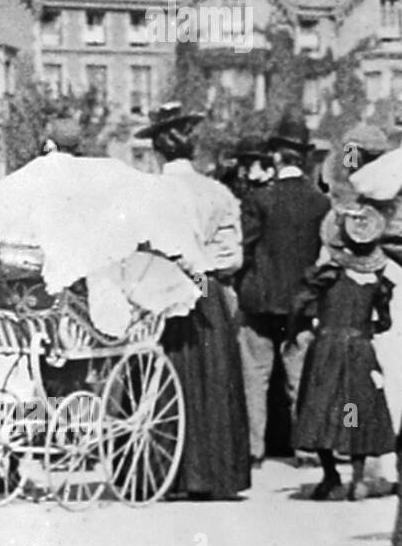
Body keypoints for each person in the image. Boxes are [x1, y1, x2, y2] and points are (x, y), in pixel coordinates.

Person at [142, 103, 250, 499]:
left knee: (162, 369)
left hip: (156, 288)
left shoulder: (146, 191)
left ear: (157, 149)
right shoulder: (217, 192)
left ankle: (164, 470)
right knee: (212, 369)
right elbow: (231, 256)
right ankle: (212, 471)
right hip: (206, 286)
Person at [237, 114, 331, 467]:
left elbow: (243, 248)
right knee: (300, 377)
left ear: (275, 155)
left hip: (259, 302)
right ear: (305, 157)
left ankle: (253, 450)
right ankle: (306, 450)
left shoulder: (260, 199)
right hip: (301, 305)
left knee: (254, 379)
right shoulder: (320, 202)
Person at [292, 204, 396, 500]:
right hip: (360, 350)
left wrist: (304, 325)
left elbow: (301, 304)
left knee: (322, 408)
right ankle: (358, 478)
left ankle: (330, 475)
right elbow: (384, 322)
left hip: (327, 347)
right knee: (355, 410)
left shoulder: (327, 276)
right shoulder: (377, 282)